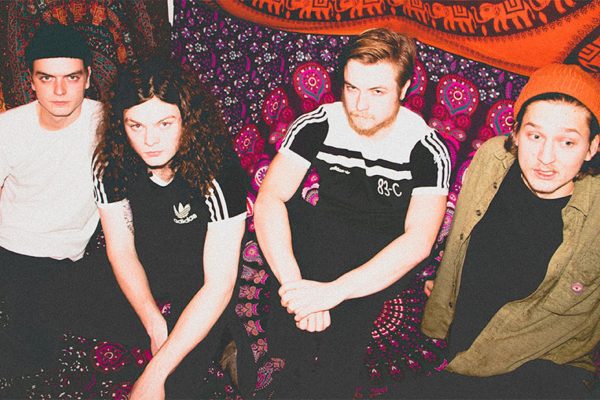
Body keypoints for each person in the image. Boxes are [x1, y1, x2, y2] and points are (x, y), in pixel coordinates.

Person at [254, 28, 451, 398]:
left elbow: (418, 241)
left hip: (383, 249)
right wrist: (295, 287)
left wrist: (333, 293)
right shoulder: (319, 123)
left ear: (404, 89)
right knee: (291, 223)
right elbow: (269, 200)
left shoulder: (426, 148)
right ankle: (280, 361)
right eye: (351, 88)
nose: (360, 105)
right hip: (326, 230)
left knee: (338, 354)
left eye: (377, 92)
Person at [399, 63, 600, 398]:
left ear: (592, 147)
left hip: (543, 365)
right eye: (535, 136)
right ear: (516, 134)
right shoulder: (492, 158)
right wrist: (446, 282)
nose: (545, 157)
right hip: (460, 355)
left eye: (567, 142)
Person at [91, 57, 247, 399]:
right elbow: (121, 250)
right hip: (151, 260)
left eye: (164, 124)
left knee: (177, 383)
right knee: (53, 303)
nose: (150, 140)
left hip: (204, 273)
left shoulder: (219, 171)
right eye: (136, 126)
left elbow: (218, 284)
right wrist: (152, 321)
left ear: (186, 119)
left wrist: (155, 372)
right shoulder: (110, 163)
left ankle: (226, 339)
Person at [0, 23, 101, 383]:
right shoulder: (9, 129)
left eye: (71, 78)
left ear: (88, 78)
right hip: (12, 247)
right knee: (30, 352)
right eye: (46, 78)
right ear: (31, 81)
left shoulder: (109, 125)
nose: (59, 91)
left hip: (76, 253)